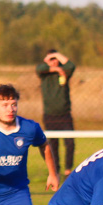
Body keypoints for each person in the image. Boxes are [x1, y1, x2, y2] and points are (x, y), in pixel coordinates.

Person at [35, 49, 76, 177]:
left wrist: (57, 56)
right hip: (50, 115)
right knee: (53, 145)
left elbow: (71, 65)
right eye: (51, 59)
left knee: (70, 143)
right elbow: (39, 68)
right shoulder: (44, 73)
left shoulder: (65, 72)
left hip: (65, 114)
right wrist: (54, 67)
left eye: (56, 59)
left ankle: (68, 170)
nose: (54, 61)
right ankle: (55, 170)